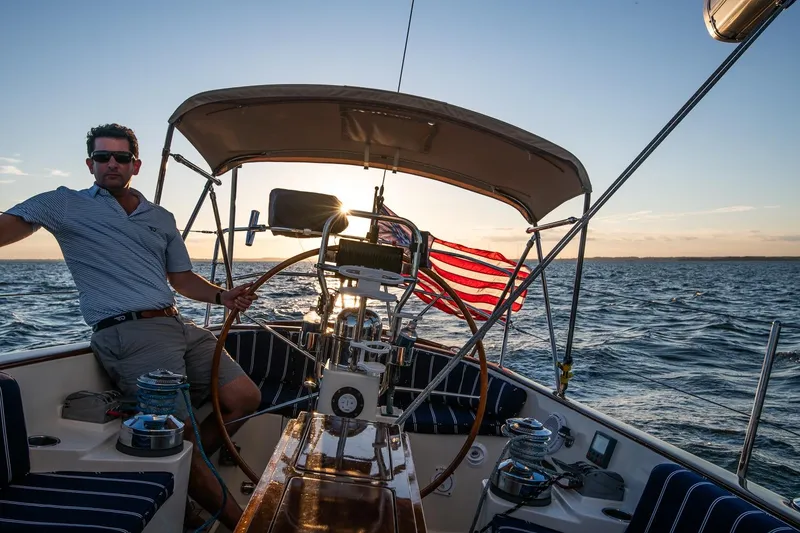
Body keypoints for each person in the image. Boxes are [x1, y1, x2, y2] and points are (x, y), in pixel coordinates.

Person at [0, 123, 262, 531]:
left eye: (121, 157)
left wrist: (222, 296)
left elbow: (181, 278)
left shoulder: (160, 217)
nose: (111, 164)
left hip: (178, 324)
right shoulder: (63, 203)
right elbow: (8, 228)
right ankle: (250, 524)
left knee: (244, 397)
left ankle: (186, 472)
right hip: (130, 332)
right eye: (102, 157)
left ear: (135, 165)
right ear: (90, 163)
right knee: (175, 434)